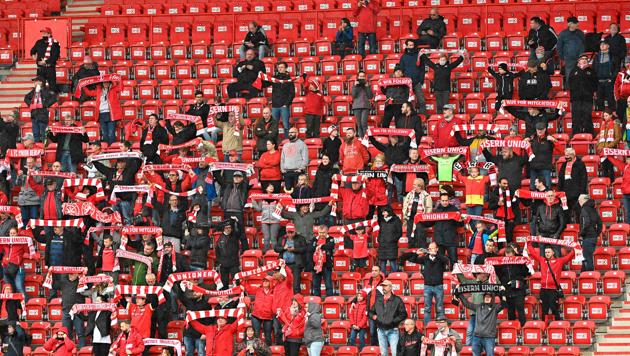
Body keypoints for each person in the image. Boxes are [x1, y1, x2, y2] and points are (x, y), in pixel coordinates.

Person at [401, 243, 449, 326]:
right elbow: (413, 260)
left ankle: (440, 326)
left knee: (439, 308)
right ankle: (427, 326)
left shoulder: (440, 258)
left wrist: (436, 255)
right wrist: (416, 253)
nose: (430, 250)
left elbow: (446, 261)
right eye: (429, 249)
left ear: (437, 249)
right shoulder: (425, 258)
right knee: (427, 308)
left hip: (438, 286)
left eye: (432, 248)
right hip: (427, 286)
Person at [527, 244, 575, 322]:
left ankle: (557, 326)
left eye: (548, 252)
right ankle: (544, 327)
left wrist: (575, 248)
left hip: (553, 290)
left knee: (554, 309)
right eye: (546, 252)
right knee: (544, 310)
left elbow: (568, 257)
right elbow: (533, 253)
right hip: (543, 290)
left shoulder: (559, 261)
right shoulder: (542, 260)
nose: (547, 254)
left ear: (553, 252)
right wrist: (529, 243)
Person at [455, 291, 507, 356]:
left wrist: (502, 294)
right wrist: (460, 294)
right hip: (477, 337)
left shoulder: (495, 308)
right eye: (486, 296)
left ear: (492, 298)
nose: (487, 298)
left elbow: (504, 303)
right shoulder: (478, 307)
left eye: (489, 297)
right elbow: (467, 304)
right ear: (483, 298)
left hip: (489, 338)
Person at [369, 279, 408, 356]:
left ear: (390, 287)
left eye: (385, 286)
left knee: (395, 353)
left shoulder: (397, 300)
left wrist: (393, 321)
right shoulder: (378, 300)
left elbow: (403, 314)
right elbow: (371, 312)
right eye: (382, 286)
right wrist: (375, 317)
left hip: (393, 330)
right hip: (380, 331)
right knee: (383, 354)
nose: (383, 288)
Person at [83, 79, 122, 145]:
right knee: (104, 133)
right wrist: (83, 86)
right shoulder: (99, 90)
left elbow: (121, 87)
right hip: (101, 114)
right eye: (104, 83)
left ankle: (111, 148)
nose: (106, 84)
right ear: (102, 84)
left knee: (111, 133)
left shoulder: (113, 89)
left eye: (107, 82)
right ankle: (106, 148)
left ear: (110, 83)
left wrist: (116, 80)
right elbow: (89, 93)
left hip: (111, 114)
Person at [568, 55, 597, 135]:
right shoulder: (573, 71)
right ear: (578, 61)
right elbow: (570, 84)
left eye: (585, 59)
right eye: (582, 59)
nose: (584, 60)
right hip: (576, 99)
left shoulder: (591, 71)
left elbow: (595, 84)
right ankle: (575, 135)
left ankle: (589, 135)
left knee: (587, 117)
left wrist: (592, 92)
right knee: (576, 118)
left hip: (587, 98)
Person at [275, 223, 307, 293]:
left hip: (296, 264)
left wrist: (294, 249)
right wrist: (283, 248)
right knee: (283, 284)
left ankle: (297, 301)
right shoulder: (282, 238)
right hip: (284, 265)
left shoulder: (300, 238)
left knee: (296, 285)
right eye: (288, 232)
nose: (290, 234)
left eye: (292, 232)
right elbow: (276, 248)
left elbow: (304, 249)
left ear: (295, 231)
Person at [557, 147, 588, 222]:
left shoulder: (580, 164)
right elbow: (560, 178)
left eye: (568, 155)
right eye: (566, 155)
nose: (566, 157)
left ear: (574, 155)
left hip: (577, 195)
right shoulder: (564, 164)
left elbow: (584, 179)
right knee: (565, 215)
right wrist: (560, 192)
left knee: (579, 215)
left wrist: (582, 193)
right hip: (565, 195)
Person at [24, 76, 56, 143]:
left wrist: (45, 105)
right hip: (34, 115)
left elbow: (54, 98)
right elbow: (26, 98)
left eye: (36, 81)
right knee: (35, 134)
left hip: (43, 115)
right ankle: (37, 147)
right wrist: (30, 104)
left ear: (41, 82)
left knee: (44, 134)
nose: (35, 83)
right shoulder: (33, 91)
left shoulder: (46, 91)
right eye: (35, 82)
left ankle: (44, 148)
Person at [534, 190, 566, 257]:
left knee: (558, 256)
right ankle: (542, 267)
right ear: (546, 196)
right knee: (542, 257)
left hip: (554, 235)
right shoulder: (540, 207)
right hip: (542, 235)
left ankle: (558, 267)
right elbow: (535, 222)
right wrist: (538, 234)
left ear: (554, 197)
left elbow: (563, 223)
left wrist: (557, 234)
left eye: (552, 196)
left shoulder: (559, 208)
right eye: (548, 196)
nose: (550, 197)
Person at [525, 123, 557, 189]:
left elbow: (560, 150)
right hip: (534, 168)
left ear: (545, 129)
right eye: (538, 129)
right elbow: (522, 147)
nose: (539, 131)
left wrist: (554, 140)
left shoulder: (549, 139)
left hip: (546, 168)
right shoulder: (532, 138)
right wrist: (524, 142)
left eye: (541, 129)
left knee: (547, 188)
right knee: (532, 188)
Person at [433, 192, 461, 266]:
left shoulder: (454, 210)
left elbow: (460, 224)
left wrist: (461, 220)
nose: (444, 202)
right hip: (440, 241)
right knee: (439, 263)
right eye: (443, 201)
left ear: (449, 201)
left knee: (454, 262)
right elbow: (430, 223)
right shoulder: (436, 210)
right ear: (440, 201)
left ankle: (455, 277)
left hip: (451, 240)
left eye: (446, 201)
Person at [399, 39, 427, 114]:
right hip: (407, 83)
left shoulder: (419, 55)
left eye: (412, 45)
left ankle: (423, 116)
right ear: (407, 46)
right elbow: (401, 69)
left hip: (417, 82)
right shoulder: (403, 57)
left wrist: (421, 80)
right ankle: (410, 115)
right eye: (410, 45)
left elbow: (422, 69)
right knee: (408, 101)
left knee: (421, 100)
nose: (411, 47)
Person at [269, 62, 296, 137]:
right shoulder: (274, 78)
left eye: (281, 67)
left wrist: (286, 104)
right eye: (279, 67)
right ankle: (274, 142)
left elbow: (292, 93)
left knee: (286, 126)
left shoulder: (289, 79)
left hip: (284, 106)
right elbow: (266, 84)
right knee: (274, 126)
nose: (280, 68)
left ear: (285, 68)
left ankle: (287, 141)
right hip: (275, 106)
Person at [215, 219, 244, 288]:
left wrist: (237, 222)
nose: (228, 229)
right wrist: (220, 262)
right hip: (224, 264)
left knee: (237, 281)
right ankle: (225, 296)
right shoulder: (220, 239)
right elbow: (217, 252)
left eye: (230, 227)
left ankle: (238, 296)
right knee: (224, 282)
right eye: (227, 228)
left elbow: (240, 231)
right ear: (224, 229)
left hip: (234, 263)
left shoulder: (234, 236)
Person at [30, 27, 60, 91]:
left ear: (49, 34)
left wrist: (46, 61)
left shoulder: (55, 43)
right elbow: (32, 51)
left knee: (52, 87)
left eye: (45, 33)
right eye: (42, 33)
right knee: (39, 87)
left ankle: (52, 100)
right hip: (40, 68)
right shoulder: (39, 42)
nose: (43, 35)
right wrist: (33, 55)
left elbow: (55, 56)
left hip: (50, 68)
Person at [597, 110, 623, 180]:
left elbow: (618, 138)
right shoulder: (602, 125)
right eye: (604, 116)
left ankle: (612, 185)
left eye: (606, 115)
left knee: (610, 169)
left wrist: (609, 146)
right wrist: (599, 146)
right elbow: (599, 138)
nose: (604, 117)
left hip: (610, 150)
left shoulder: (615, 125)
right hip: (602, 150)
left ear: (610, 115)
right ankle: (605, 185)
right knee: (604, 170)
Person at [578, 194, 602, 272]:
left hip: (588, 237)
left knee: (587, 258)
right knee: (588, 257)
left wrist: (581, 233)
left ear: (582, 200)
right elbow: (600, 223)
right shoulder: (593, 209)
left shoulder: (584, 209)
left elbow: (586, 223)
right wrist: (597, 233)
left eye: (579, 200)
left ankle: (589, 276)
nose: (578, 202)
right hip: (593, 236)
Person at [593, 39, 618, 112]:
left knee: (611, 101)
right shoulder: (596, 57)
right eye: (601, 44)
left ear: (608, 46)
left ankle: (612, 118)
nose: (602, 46)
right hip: (599, 82)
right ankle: (601, 119)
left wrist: (612, 79)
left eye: (604, 44)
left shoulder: (613, 56)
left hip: (609, 82)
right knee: (599, 101)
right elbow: (594, 69)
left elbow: (616, 69)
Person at [557, 17, 585, 81]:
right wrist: (563, 57)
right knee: (569, 76)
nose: (577, 24)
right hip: (569, 59)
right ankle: (568, 90)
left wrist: (582, 55)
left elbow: (583, 44)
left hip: (580, 58)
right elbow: (559, 47)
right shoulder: (563, 34)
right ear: (570, 24)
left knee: (580, 76)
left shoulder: (580, 33)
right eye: (576, 23)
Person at [377, 206, 402, 274]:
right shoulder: (382, 220)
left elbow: (399, 232)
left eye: (384, 212)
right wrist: (379, 239)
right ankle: (382, 277)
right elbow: (380, 231)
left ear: (389, 212)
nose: (383, 214)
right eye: (382, 212)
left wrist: (393, 239)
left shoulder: (396, 220)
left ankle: (394, 277)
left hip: (392, 245)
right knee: (382, 263)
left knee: (393, 262)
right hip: (382, 245)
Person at [312, 225, 335, 297]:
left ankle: (330, 301)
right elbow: (310, 249)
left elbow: (330, 246)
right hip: (316, 265)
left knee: (328, 285)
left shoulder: (331, 239)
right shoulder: (314, 239)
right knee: (316, 285)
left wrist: (320, 246)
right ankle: (316, 301)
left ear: (327, 232)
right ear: (318, 232)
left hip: (326, 265)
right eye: (320, 232)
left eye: (323, 232)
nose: (321, 234)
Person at [352, 72, 374, 138]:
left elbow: (370, 96)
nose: (361, 78)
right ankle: (361, 139)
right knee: (359, 124)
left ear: (365, 77)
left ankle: (366, 138)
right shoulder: (355, 85)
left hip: (365, 106)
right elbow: (353, 95)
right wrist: (355, 86)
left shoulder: (368, 85)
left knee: (364, 123)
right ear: (358, 77)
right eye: (360, 76)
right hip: (357, 106)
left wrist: (367, 87)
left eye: (363, 76)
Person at [614, 57, 630, 125]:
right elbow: (616, 85)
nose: (628, 64)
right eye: (626, 63)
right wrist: (618, 98)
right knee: (622, 118)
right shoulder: (620, 74)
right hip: (622, 99)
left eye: (629, 63)